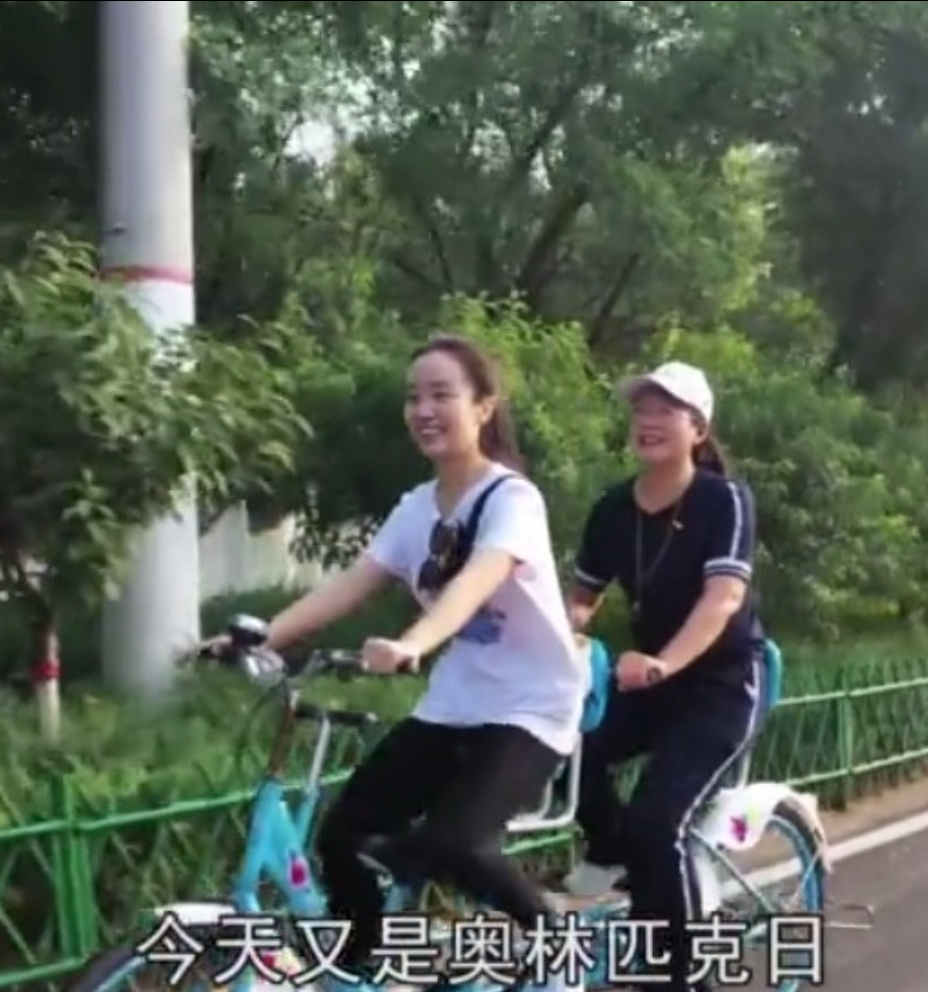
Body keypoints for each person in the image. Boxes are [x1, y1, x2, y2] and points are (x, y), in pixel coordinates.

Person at [227, 336, 587, 989]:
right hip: (456, 702)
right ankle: (365, 965)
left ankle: (557, 947)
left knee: (457, 844)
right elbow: (350, 585)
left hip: (530, 708)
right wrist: (261, 639)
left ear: (483, 408)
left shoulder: (511, 499)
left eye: (442, 394)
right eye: (413, 397)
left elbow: (478, 579)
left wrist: (415, 642)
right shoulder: (416, 508)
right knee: (344, 835)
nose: (423, 409)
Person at [562, 361, 768, 992]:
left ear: (697, 429)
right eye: (640, 410)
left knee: (659, 825)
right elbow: (582, 598)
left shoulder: (723, 500)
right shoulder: (612, 509)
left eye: (665, 411)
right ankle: (612, 849)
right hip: (648, 685)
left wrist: (663, 663)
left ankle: (681, 978)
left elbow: (722, 599)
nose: (647, 422)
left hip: (721, 687)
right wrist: (559, 636)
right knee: (562, 744)